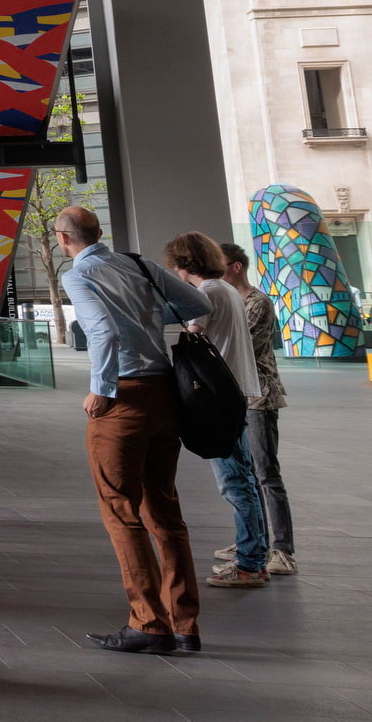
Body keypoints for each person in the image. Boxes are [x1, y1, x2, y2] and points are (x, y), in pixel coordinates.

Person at [56, 205, 211, 654]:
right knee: (164, 510)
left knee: (120, 508)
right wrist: (143, 320)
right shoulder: (137, 263)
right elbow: (198, 304)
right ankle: (185, 622)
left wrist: (100, 388)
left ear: (64, 240)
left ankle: (148, 622)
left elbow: (101, 331)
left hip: (124, 397)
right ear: (99, 231)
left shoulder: (78, 274)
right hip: (166, 395)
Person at [163, 233, 268, 591]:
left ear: (182, 264)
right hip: (235, 392)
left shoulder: (206, 293)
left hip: (220, 398)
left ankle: (251, 562)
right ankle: (253, 554)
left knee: (235, 482)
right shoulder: (223, 289)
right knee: (243, 478)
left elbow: (194, 335)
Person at [219, 243, 295, 576]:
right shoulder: (229, 302)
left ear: (236, 267)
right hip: (235, 397)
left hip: (259, 397)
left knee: (266, 474)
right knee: (244, 475)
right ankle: (255, 541)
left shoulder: (257, 302)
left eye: (218, 265)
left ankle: (283, 550)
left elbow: (242, 345)